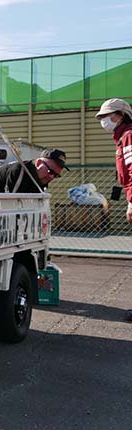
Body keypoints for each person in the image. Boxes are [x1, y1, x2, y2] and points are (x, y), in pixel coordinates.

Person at [95, 98, 132, 323]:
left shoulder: (128, 136)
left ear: (120, 115)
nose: (103, 121)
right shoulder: (123, 138)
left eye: (106, 116)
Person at [0, 148, 69, 193]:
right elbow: (10, 202)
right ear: (38, 163)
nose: (51, 177)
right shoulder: (19, 171)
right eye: (50, 171)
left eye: (56, 175)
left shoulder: (42, 179)